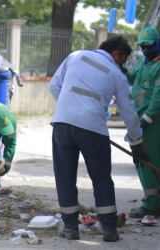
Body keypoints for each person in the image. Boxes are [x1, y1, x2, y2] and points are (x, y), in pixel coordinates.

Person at [49, 35, 151, 242]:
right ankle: (109, 230)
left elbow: (54, 86)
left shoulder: (75, 56)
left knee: (64, 177)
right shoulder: (116, 74)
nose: (123, 65)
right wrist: (136, 141)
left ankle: (69, 228)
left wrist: (71, 109)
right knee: (102, 179)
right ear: (116, 53)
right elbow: (129, 112)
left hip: (61, 124)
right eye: (123, 59)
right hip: (93, 129)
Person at [126, 27, 160, 218]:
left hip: (151, 122)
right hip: (137, 120)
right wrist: (119, 68)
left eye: (149, 46)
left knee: (147, 160)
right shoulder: (143, 61)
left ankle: (151, 204)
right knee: (140, 160)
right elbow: (132, 78)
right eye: (143, 46)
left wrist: (146, 120)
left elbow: (158, 97)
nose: (146, 49)